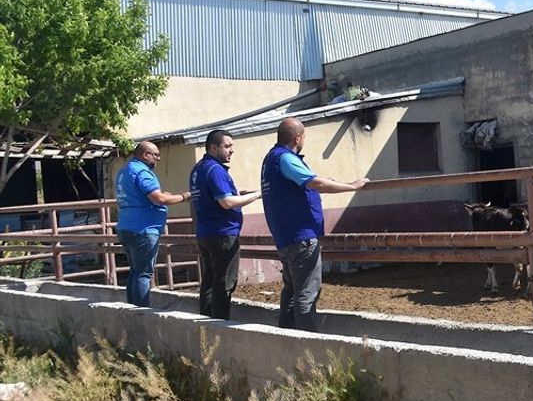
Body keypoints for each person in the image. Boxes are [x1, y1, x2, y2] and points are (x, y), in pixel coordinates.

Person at [261, 117, 369, 331]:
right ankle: (307, 344)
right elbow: (316, 183)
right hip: (300, 237)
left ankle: (287, 338)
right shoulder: (285, 158)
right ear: (297, 138)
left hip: (286, 237)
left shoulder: (271, 159)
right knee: (306, 293)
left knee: (291, 291)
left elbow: (306, 180)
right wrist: (351, 186)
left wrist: (321, 179)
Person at [189, 129, 261, 319]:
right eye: (227, 146)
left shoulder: (198, 169)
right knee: (224, 282)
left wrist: (241, 194)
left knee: (210, 281)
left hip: (205, 232)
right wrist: (256, 195)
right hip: (222, 234)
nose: (232, 150)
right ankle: (220, 326)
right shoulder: (215, 170)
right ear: (213, 147)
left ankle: (206, 322)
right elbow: (226, 202)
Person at [114, 141, 191, 307]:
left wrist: (161, 196)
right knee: (143, 274)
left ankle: (131, 310)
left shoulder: (124, 171)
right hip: (143, 228)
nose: (158, 158)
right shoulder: (142, 172)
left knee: (135, 272)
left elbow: (141, 196)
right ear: (145, 154)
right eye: (155, 155)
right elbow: (159, 199)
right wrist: (184, 196)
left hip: (126, 226)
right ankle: (142, 313)